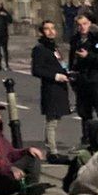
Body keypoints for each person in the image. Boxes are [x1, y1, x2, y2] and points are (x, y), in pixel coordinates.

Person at [70, 14, 98, 144]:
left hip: (97, 79)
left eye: (84, 24)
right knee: (84, 112)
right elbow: (72, 59)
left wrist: (88, 56)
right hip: (82, 80)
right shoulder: (75, 40)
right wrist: (72, 73)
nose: (82, 27)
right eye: (79, 25)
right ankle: (86, 139)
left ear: (90, 24)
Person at [30, 21, 71, 162]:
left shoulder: (55, 47)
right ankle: (52, 152)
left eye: (53, 28)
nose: (51, 31)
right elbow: (36, 70)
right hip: (51, 88)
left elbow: (61, 64)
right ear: (42, 31)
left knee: (56, 119)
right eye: (47, 29)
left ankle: (52, 150)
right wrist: (55, 76)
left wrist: (67, 73)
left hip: (60, 88)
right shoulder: (40, 49)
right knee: (52, 121)